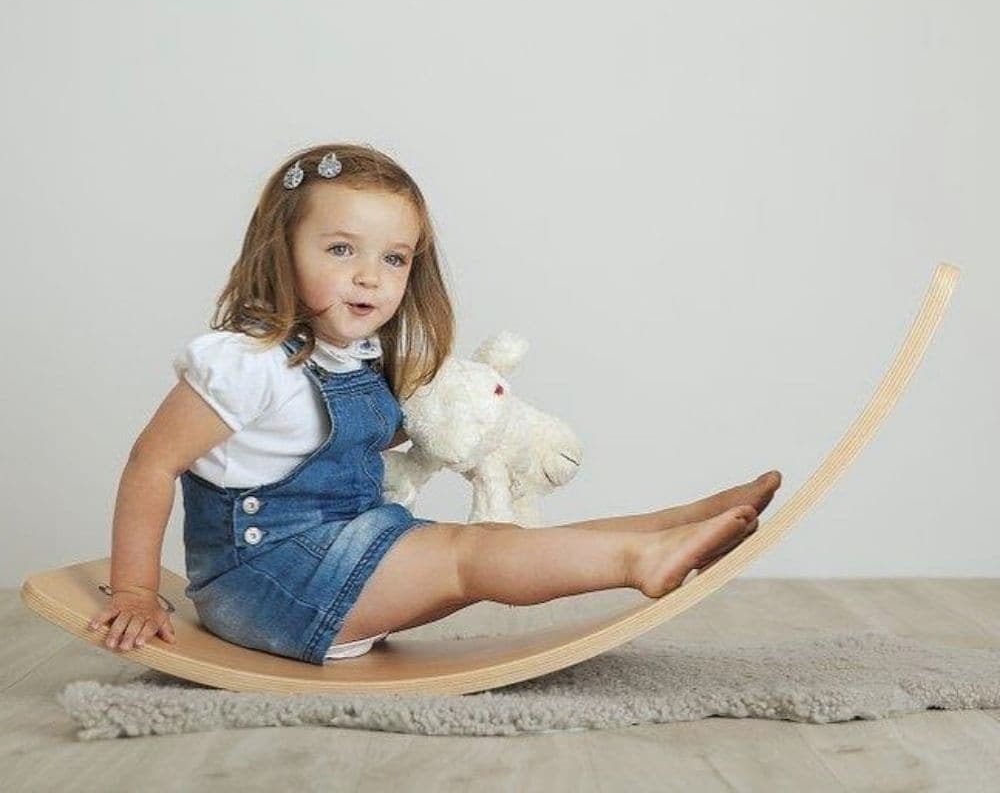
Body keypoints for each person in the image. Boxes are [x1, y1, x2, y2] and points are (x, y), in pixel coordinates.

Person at [88, 143, 783, 665]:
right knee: (469, 555)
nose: (370, 275)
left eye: (394, 259)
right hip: (270, 582)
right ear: (280, 251)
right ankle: (638, 565)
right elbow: (150, 465)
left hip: (338, 555)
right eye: (340, 249)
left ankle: (687, 521)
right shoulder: (247, 363)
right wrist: (134, 592)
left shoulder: (352, 358)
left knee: (496, 545)